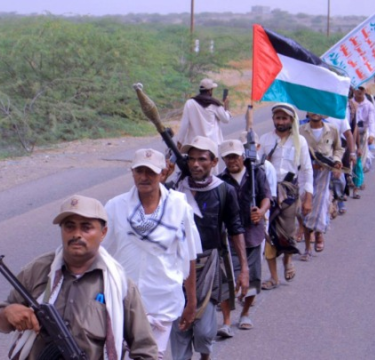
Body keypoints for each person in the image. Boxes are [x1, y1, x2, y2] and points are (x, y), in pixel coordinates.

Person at [0, 195, 158, 360]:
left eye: (86, 227)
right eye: (69, 227)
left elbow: (145, 351)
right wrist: (8, 313)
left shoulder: (120, 286)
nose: (77, 234)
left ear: (103, 233)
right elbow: (1, 324)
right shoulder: (39, 270)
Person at [102, 149, 202, 360]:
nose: (144, 177)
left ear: (162, 174)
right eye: (139, 171)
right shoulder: (115, 207)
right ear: (132, 173)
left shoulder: (179, 207)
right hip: (122, 303)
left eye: (150, 172)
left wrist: (191, 302)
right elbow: (98, 252)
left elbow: (189, 256)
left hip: (162, 304)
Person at [170, 135, 249, 360]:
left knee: (204, 333)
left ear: (214, 162)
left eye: (202, 159)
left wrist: (244, 269)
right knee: (179, 328)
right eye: (192, 159)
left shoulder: (223, 190)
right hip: (178, 265)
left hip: (209, 265)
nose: (196, 164)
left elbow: (235, 229)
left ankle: (205, 354)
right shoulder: (174, 190)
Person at [257, 103, 313, 290]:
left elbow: (306, 170)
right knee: (268, 234)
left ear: (291, 120)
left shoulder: (300, 141)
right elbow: (256, 167)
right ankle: (274, 277)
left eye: (284, 118)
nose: (280, 122)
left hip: (289, 193)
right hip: (268, 192)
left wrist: (308, 197)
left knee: (288, 232)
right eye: (278, 118)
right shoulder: (265, 139)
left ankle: (288, 260)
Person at [217, 139, 271, 332]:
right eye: (228, 157)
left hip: (253, 234)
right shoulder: (220, 180)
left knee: (254, 277)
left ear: (242, 156)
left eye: (235, 156)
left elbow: (267, 196)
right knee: (227, 279)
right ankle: (226, 321)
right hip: (229, 237)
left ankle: (245, 313)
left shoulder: (257, 173)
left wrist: (261, 211)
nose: (232, 161)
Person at [298, 113, 344, 260]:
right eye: (312, 109)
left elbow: (338, 149)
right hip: (305, 173)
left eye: (318, 109)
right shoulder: (300, 130)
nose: (315, 113)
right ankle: (307, 247)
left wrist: (336, 162)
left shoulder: (332, 129)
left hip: (324, 173)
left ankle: (318, 234)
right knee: (304, 208)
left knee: (320, 205)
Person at [174, 78, 231, 149]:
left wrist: (180, 142)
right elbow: (226, 119)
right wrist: (227, 107)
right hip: (211, 144)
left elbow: (184, 124)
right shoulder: (215, 104)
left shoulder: (190, 103)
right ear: (210, 90)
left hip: (195, 143)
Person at [352, 86, 375, 198]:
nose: (359, 93)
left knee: (359, 161)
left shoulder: (369, 106)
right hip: (349, 134)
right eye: (357, 90)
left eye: (361, 91)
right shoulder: (348, 104)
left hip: (362, 136)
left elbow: (372, 121)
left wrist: (372, 135)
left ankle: (356, 188)